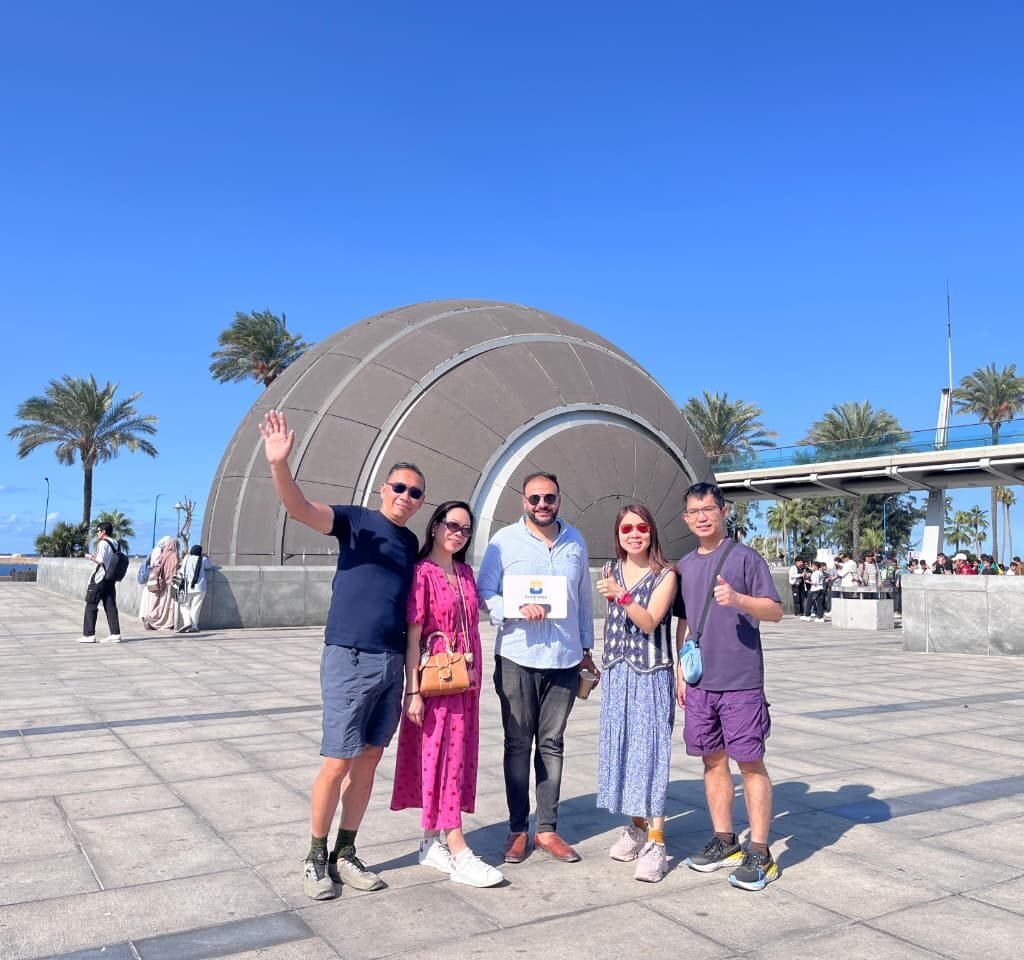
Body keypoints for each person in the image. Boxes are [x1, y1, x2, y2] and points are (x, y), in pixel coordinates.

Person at [260, 409, 425, 901]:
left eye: (415, 493)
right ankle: (315, 856)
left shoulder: (410, 541)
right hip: (349, 656)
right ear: (383, 489)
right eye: (399, 488)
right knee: (337, 760)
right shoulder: (355, 521)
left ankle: (345, 851)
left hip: (390, 661)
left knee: (369, 759)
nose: (406, 497)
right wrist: (278, 464)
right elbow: (300, 509)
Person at [477, 471, 598, 865]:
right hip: (517, 657)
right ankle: (517, 829)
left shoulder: (575, 541)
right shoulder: (503, 541)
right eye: (535, 499)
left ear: (559, 499)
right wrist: (513, 607)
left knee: (552, 744)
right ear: (523, 501)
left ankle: (546, 829)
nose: (542, 505)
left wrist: (586, 648)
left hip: (564, 658)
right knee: (517, 743)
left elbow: (583, 599)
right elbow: (484, 591)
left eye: (549, 498)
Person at [675, 482, 783, 892]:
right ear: (685, 519)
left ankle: (760, 851)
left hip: (740, 682)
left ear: (723, 512)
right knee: (712, 761)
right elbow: (685, 621)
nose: (701, 517)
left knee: (750, 763)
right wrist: (681, 670)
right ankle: (725, 841)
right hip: (702, 683)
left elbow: (774, 611)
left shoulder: (745, 558)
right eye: (694, 511)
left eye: (708, 509)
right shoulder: (685, 565)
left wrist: (739, 600)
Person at [390, 501, 503, 888]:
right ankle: (458, 849)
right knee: (444, 760)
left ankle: (429, 842)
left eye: (465, 529)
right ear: (435, 526)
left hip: (466, 680)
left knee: (454, 757)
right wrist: (412, 691)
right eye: (452, 525)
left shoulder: (466, 573)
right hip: (437, 681)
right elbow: (414, 636)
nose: (458, 534)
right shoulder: (422, 572)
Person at [595, 505, 677, 883]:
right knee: (626, 751)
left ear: (651, 531)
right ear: (618, 533)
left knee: (652, 752)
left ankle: (657, 841)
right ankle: (638, 826)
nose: (634, 534)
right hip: (617, 671)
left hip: (650, 672)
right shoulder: (610, 570)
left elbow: (649, 620)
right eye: (626, 528)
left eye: (641, 527)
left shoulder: (666, 575)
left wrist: (623, 595)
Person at [80, 521, 122, 643]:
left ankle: (89, 635)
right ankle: (115, 633)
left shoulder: (103, 543)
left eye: (98, 531)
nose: (97, 533)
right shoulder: (116, 543)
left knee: (91, 604)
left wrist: (89, 556)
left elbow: (100, 560)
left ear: (103, 532)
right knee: (110, 606)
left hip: (99, 578)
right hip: (110, 578)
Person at [142, 537, 180, 630]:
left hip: (161, 582)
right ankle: (163, 623)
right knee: (167, 605)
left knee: (159, 603)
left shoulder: (164, 554)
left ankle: (152, 618)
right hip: (169, 583)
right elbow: (173, 571)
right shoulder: (174, 555)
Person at [177, 544, 211, 633]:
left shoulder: (186, 558)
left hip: (186, 586)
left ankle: (187, 622)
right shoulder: (203, 559)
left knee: (184, 605)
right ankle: (194, 626)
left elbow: (181, 570)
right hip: (200, 587)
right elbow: (209, 566)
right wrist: (206, 557)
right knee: (196, 607)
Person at [138, 536, 170, 621]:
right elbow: (155, 563)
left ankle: (146, 615)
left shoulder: (156, 550)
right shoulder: (158, 550)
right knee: (150, 596)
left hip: (152, 576)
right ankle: (147, 616)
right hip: (153, 576)